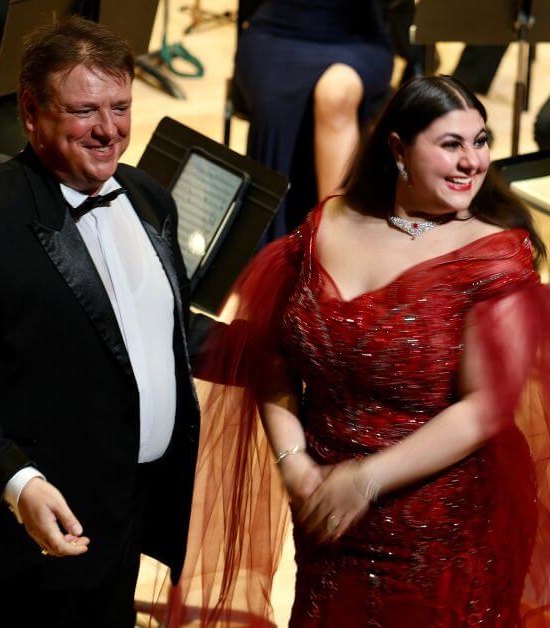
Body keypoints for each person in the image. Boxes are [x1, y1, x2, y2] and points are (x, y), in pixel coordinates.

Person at [188, 75, 550, 625]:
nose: (472, 162)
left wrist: (366, 479)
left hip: (439, 533)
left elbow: (487, 406)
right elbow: (276, 358)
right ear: (398, 149)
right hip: (326, 520)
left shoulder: (494, 256)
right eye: (451, 144)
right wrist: (294, 464)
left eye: (481, 141)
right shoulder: (325, 225)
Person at [0, 16, 201, 628]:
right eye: (85, 110)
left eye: (120, 107)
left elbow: (156, 333)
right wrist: (18, 483)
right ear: (32, 112)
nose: (109, 130)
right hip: (34, 535)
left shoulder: (150, 199)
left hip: (129, 516)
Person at [234, 0, 394, 243]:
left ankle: (335, 247)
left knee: (337, 93)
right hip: (277, 33)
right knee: (274, 106)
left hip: (357, 38)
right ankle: (271, 247)